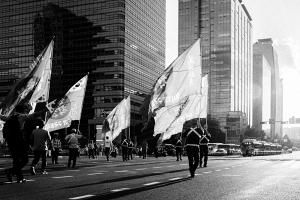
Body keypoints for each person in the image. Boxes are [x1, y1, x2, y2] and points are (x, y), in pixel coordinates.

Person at [1, 104, 45, 183]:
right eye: (25, 109)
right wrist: (46, 109)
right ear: (22, 110)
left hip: (10, 141)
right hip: (19, 140)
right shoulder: (22, 116)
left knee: (16, 160)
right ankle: (10, 171)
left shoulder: (10, 117)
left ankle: (19, 177)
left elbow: (2, 117)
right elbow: (34, 114)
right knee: (25, 159)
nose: (26, 111)